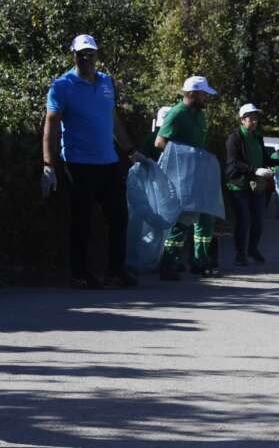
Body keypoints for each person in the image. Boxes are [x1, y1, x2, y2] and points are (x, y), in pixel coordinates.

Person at [41, 33, 143, 289]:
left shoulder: (106, 82)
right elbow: (51, 126)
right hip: (78, 163)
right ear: (73, 55)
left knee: (119, 217)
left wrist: (130, 150)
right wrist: (48, 165)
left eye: (91, 54)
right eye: (81, 54)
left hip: (108, 162)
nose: (86, 58)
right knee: (81, 221)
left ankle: (115, 272)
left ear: (97, 55)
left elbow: (113, 121)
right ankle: (80, 274)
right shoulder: (61, 86)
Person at [156, 76, 218, 280]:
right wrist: (184, 156)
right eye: (203, 94)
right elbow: (160, 142)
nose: (206, 98)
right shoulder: (177, 113)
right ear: (191, 94)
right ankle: (168, 263)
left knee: (205, 217)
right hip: (180, 177)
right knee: (182, 220)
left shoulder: (199, 114)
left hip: (197, 174)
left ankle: (199, 261)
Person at [224, 103, 279, 266]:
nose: (255, 121)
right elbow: (233, 162)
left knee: (258, 219)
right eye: (251, 117)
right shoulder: (234, 137)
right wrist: (254, 169)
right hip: (238, 184)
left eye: (256, 118)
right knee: (243, 219)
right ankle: (240, 254)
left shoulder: (257, 137)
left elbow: (265, 159)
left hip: (256, 185)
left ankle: (253, 249)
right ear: (242, 119)